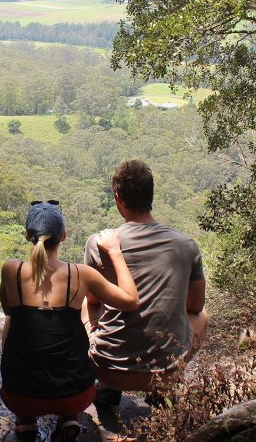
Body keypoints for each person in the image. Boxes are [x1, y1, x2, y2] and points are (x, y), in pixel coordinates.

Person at [0, 201, 140, 442]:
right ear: (64, 236)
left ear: (27, 236)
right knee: (76, 317)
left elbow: (7, 309)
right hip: (76, 396)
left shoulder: (11, 269)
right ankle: (68, 417)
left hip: (19, 396)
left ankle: (25, 420)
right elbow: (131, 301)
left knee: (14, 319)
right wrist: (115, 253)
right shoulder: (80, 274)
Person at [84, 160, 209, 406]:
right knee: (203, 315)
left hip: (108, 369)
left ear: (118, 198)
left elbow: (93, 300)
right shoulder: (186, 245)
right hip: (164, 372)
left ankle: (106, 386)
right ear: (151, 196)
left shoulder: (98, 244)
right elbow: (195, 306)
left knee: (86, 302)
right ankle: (166, 386)